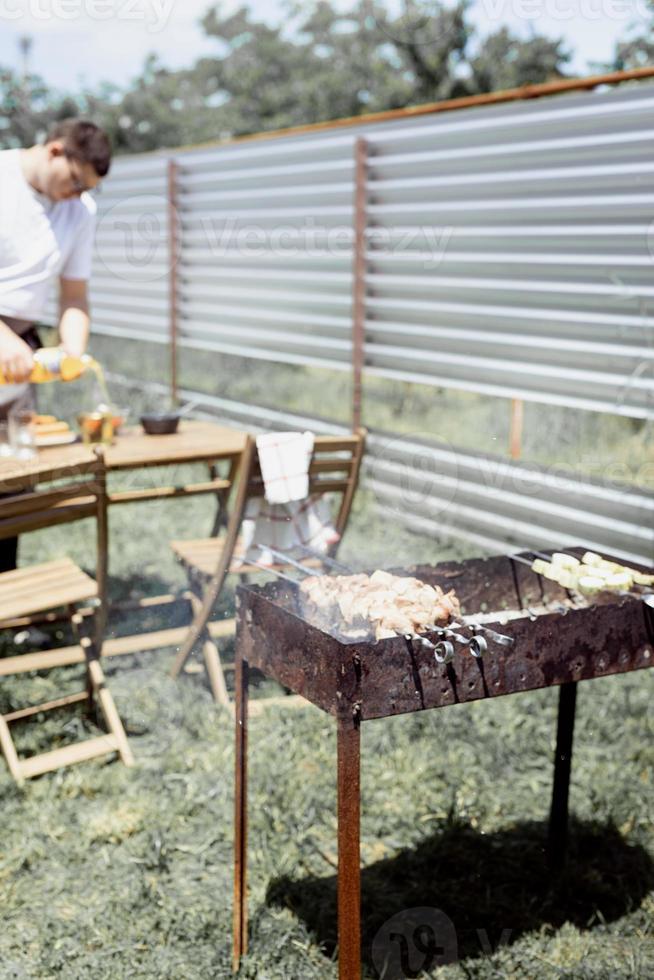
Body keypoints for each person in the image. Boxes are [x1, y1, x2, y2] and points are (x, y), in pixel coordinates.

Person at [0, 118, 111, 571]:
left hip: (21, 347)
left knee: (15, 477)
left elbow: (74, 296)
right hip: (6, 340)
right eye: (75, 179)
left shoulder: (80, 210)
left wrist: (73, 351)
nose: (78, 192)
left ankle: (7, 602)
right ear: (54, 151)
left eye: (88, 186)